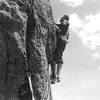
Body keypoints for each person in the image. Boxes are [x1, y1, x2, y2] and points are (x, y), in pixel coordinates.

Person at [50, 15, 70, 84]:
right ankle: (55, 76)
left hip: (61, 43)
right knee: (55, 58)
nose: (61, 19)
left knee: (57, 58)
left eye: (63, 19)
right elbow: (55, 24)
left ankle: (56, 76)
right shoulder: (61, 25)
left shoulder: (65, 26)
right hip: (59, 43)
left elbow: (60, 29)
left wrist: (56, 27)